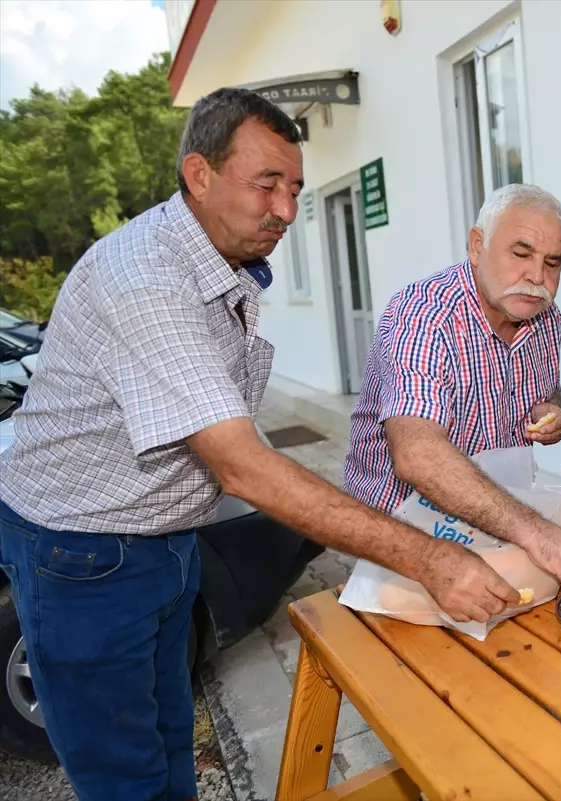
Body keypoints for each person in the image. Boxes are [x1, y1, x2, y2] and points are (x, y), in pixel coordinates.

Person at [0, 88, 522, 801]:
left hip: (163, 536)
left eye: (296, 188)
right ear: (199, 174)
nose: (285, 210)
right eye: (266, 184)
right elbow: (244, 465)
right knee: (123, 771)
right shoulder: (146, 280)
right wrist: (429, 557)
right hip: (82, 550)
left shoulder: (219, 256)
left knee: (167, 733)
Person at [342, 183, 561, 608]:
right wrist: (538, 533)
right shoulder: (424, 315)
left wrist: (551, 407)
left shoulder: (545, 318)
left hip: (491, 517)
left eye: (552, 263)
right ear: (477, 245)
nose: (537, 276)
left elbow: (546, 386)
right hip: (402, 530)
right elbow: (418, 455)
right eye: (521, 254)